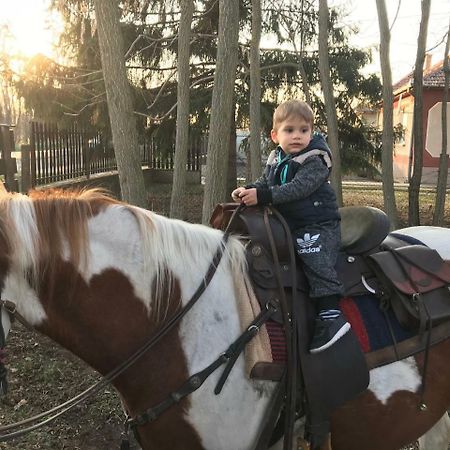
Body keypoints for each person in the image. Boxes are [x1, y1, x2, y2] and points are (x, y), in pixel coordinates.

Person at [231, 99, 349, 353]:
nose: (297, 136)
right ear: (275, 135)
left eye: (303, 130)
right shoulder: (277, 159)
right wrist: (250, 190)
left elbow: (299, 188)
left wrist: (264, 197)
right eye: (289, 130)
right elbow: (265, 182)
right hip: (291, 223)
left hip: (318, 223)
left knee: (312, 254)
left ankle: (330, 312)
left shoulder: (315, 160)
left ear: (312, 132)